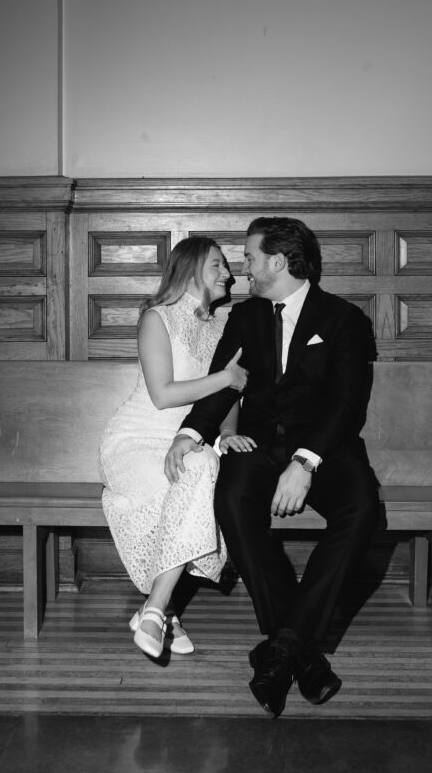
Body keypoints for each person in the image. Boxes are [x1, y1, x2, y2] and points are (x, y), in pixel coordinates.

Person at [166, 216, 379, 716]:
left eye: (251, 258)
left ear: (279, 262)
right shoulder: (244, 318)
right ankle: (301, 653)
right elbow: (226, 384)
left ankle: (279, 651)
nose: (244, 269)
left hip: (326, 450)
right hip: (259, 447)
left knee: (363, 508)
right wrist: (189, 434)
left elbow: (349, 406)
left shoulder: (344, 319)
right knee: (232, 499)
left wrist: (306, 462)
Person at [98, 236, 247, 660]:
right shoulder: (156, 318)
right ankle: (168, 610)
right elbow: (163, 395)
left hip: (188, 439)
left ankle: (156, 609)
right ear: (193, 267)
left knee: (200, 468)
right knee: (183, 490)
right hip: (135, 441)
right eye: (218, 265)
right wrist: (225, 379)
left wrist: (225, 434)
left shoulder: (223, 326)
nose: (229, 275)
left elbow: (228, 399)